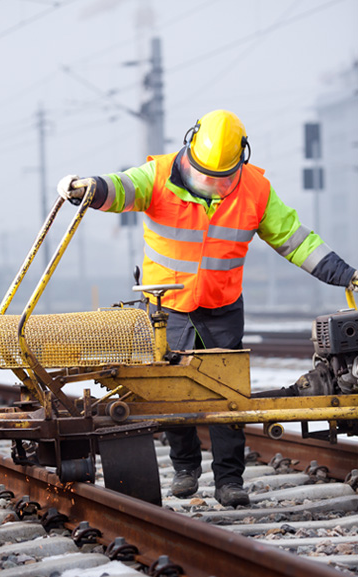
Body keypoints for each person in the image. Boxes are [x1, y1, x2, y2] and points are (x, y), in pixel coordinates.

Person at [57, 109, 358, 508]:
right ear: (189, 151)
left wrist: (346, 274)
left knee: (227, 399)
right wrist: (89, 188)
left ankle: (229, 480)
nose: (212, 186)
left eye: (222, 178)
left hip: (222, 307)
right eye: (203, 176)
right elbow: (121, 189)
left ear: (241, 161)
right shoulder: (158, 175)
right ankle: (185, 469)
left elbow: (296, 240)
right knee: (171, 394)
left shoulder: (255, 190)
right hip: (167, 310)